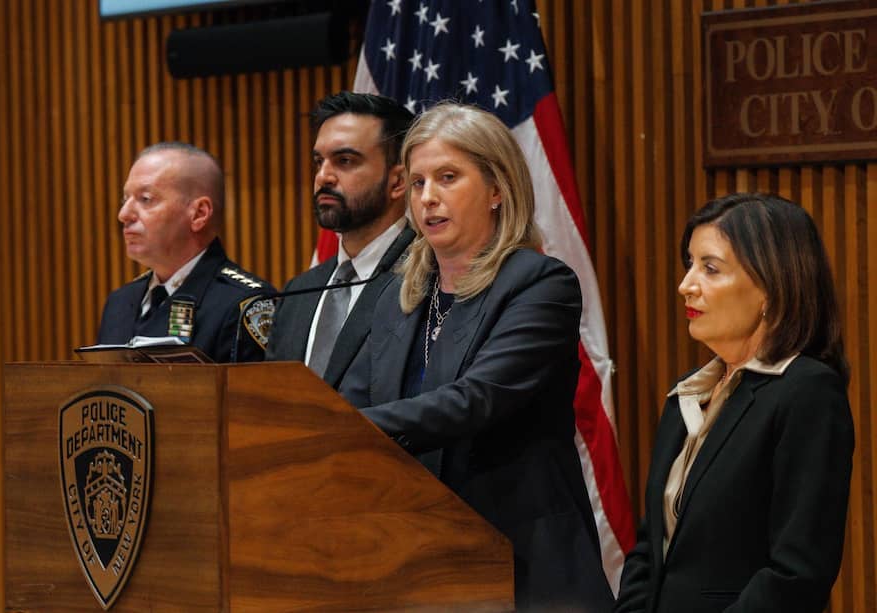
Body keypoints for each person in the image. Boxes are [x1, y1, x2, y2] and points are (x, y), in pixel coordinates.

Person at [340, 103, 614, 611]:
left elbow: (476, 399)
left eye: (447, 177)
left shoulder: (540, 284)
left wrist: (343, 427)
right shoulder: (398, 296)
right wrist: (324, 425)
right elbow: (353, 398)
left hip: (523, 568)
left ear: (497, 190)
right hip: (417, 564)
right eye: (417, 182)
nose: (428, 197)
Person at [615, 193, 855, 613]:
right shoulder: (688, 393)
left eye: (710, 268)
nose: (686, 285)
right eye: (689, 264)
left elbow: (796, 573)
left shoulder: (807, 392)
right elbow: (650, 549)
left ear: (771, 288)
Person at [265, 92, 415, 388]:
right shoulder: (298, 292)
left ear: (398, 181)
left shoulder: (429, 278)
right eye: (318, 161)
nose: (323, 177)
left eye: (344, 161)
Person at [98, 142, 276, 362]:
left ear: (199, 214)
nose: (124, 214)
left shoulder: (244, 305)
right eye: (125, 199)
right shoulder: (119, 303)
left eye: (145, 199)